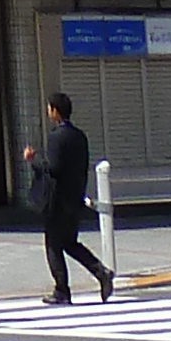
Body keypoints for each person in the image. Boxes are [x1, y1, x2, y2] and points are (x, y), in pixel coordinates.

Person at [33, 90, 113, 304]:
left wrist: (34, 160)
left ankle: (61, 290)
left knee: (53, 245)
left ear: (55, 111)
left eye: (50, 108)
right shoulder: (80, 136)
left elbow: (54, 168)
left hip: (57, 201)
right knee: (69, 243)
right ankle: (101, 272)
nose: (48, 112)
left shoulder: (56, 137)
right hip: (74, 196)